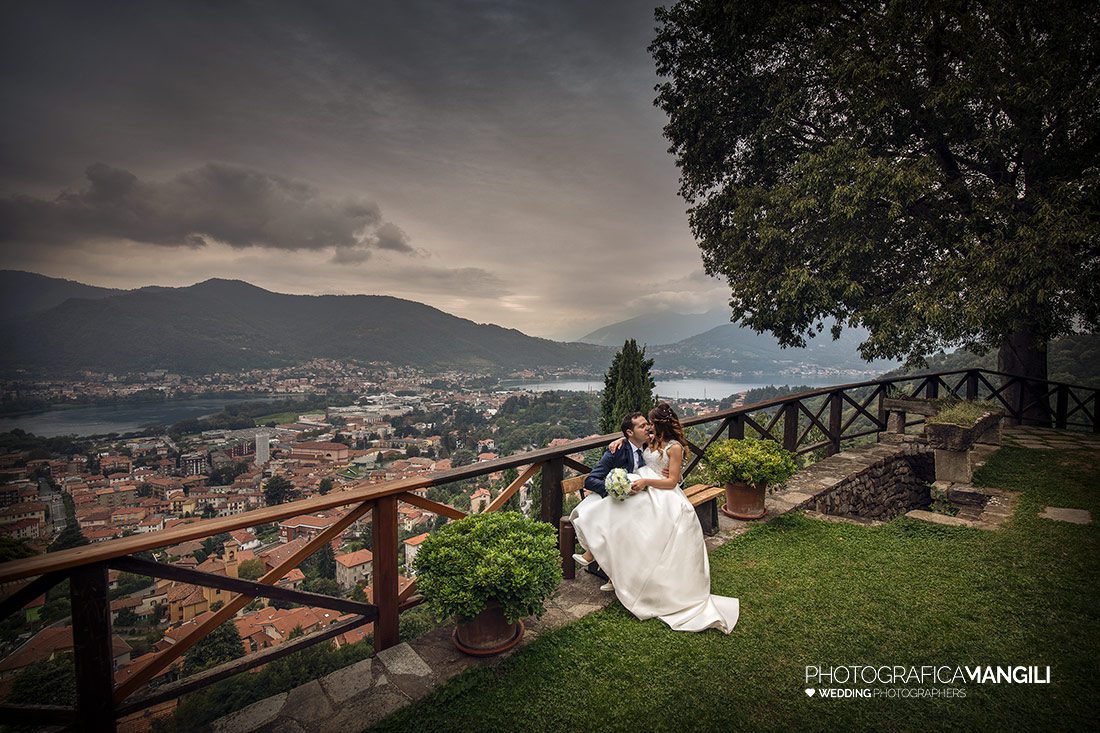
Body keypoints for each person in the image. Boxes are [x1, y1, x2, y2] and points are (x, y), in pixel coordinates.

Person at [569, 403, 740, 634]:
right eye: (643, 425)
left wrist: (649, 481)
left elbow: (672, 481)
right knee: (618, 518)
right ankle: (616, 571)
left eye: (649, 423)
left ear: (658, 424)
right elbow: (632, 451)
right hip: (643, 491)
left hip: (660, 493)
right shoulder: (649, 442)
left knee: (641, 525)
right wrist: (618, 441)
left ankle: (635, 578)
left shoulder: (673, 446)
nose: (648, 427)